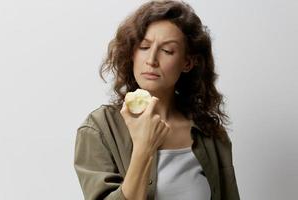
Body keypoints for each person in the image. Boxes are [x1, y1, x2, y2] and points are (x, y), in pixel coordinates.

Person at [74, 0, 240, 199]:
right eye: (144, 46)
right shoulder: (99, 129)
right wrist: (144, 147)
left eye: (167, 50)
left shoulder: (210, 134)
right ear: (131, 53)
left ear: (187, 62)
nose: (151, 60)